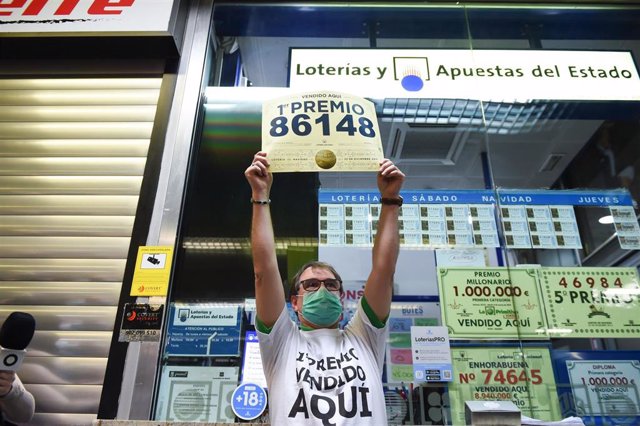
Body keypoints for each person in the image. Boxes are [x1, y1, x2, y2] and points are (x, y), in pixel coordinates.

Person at [245, 151, 405, 425]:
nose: (322, 290)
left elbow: (384, 271)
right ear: (294, 301)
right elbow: (264, 272)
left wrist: (390, 200)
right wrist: (260, 196)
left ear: (342, 298)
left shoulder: (365, 336)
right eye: (311, 285)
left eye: (331, 285)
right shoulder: (281, 341)